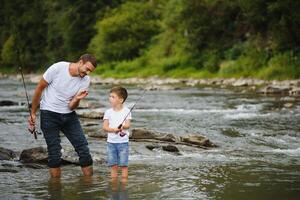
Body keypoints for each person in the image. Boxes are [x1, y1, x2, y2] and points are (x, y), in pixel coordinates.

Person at [28, 54, 97, 178]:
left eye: (90, 71)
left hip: (69, 116)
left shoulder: (85, 80)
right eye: (86, 69)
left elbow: (71, 106)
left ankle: (89, 186)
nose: (87, 73)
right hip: (49, 114)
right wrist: (33, 113)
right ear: (80, 62)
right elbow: (39, 89)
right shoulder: (58, 68)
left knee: (83, 149)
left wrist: (76, 99)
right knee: (54, 153)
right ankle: (55, 189)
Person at [102, 86, 131, 180]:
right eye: (110, 96)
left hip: (123, 143)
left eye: (113, 97)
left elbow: (128, 125)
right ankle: (113, 184)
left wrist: (123, 127)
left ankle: (124, 184)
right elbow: (105, 127)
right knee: (113, 165)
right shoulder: (108, 112)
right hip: (111, 143)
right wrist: (114, 130)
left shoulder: (126, 111)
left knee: (124, 165)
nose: (110, 98)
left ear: (121, 100)